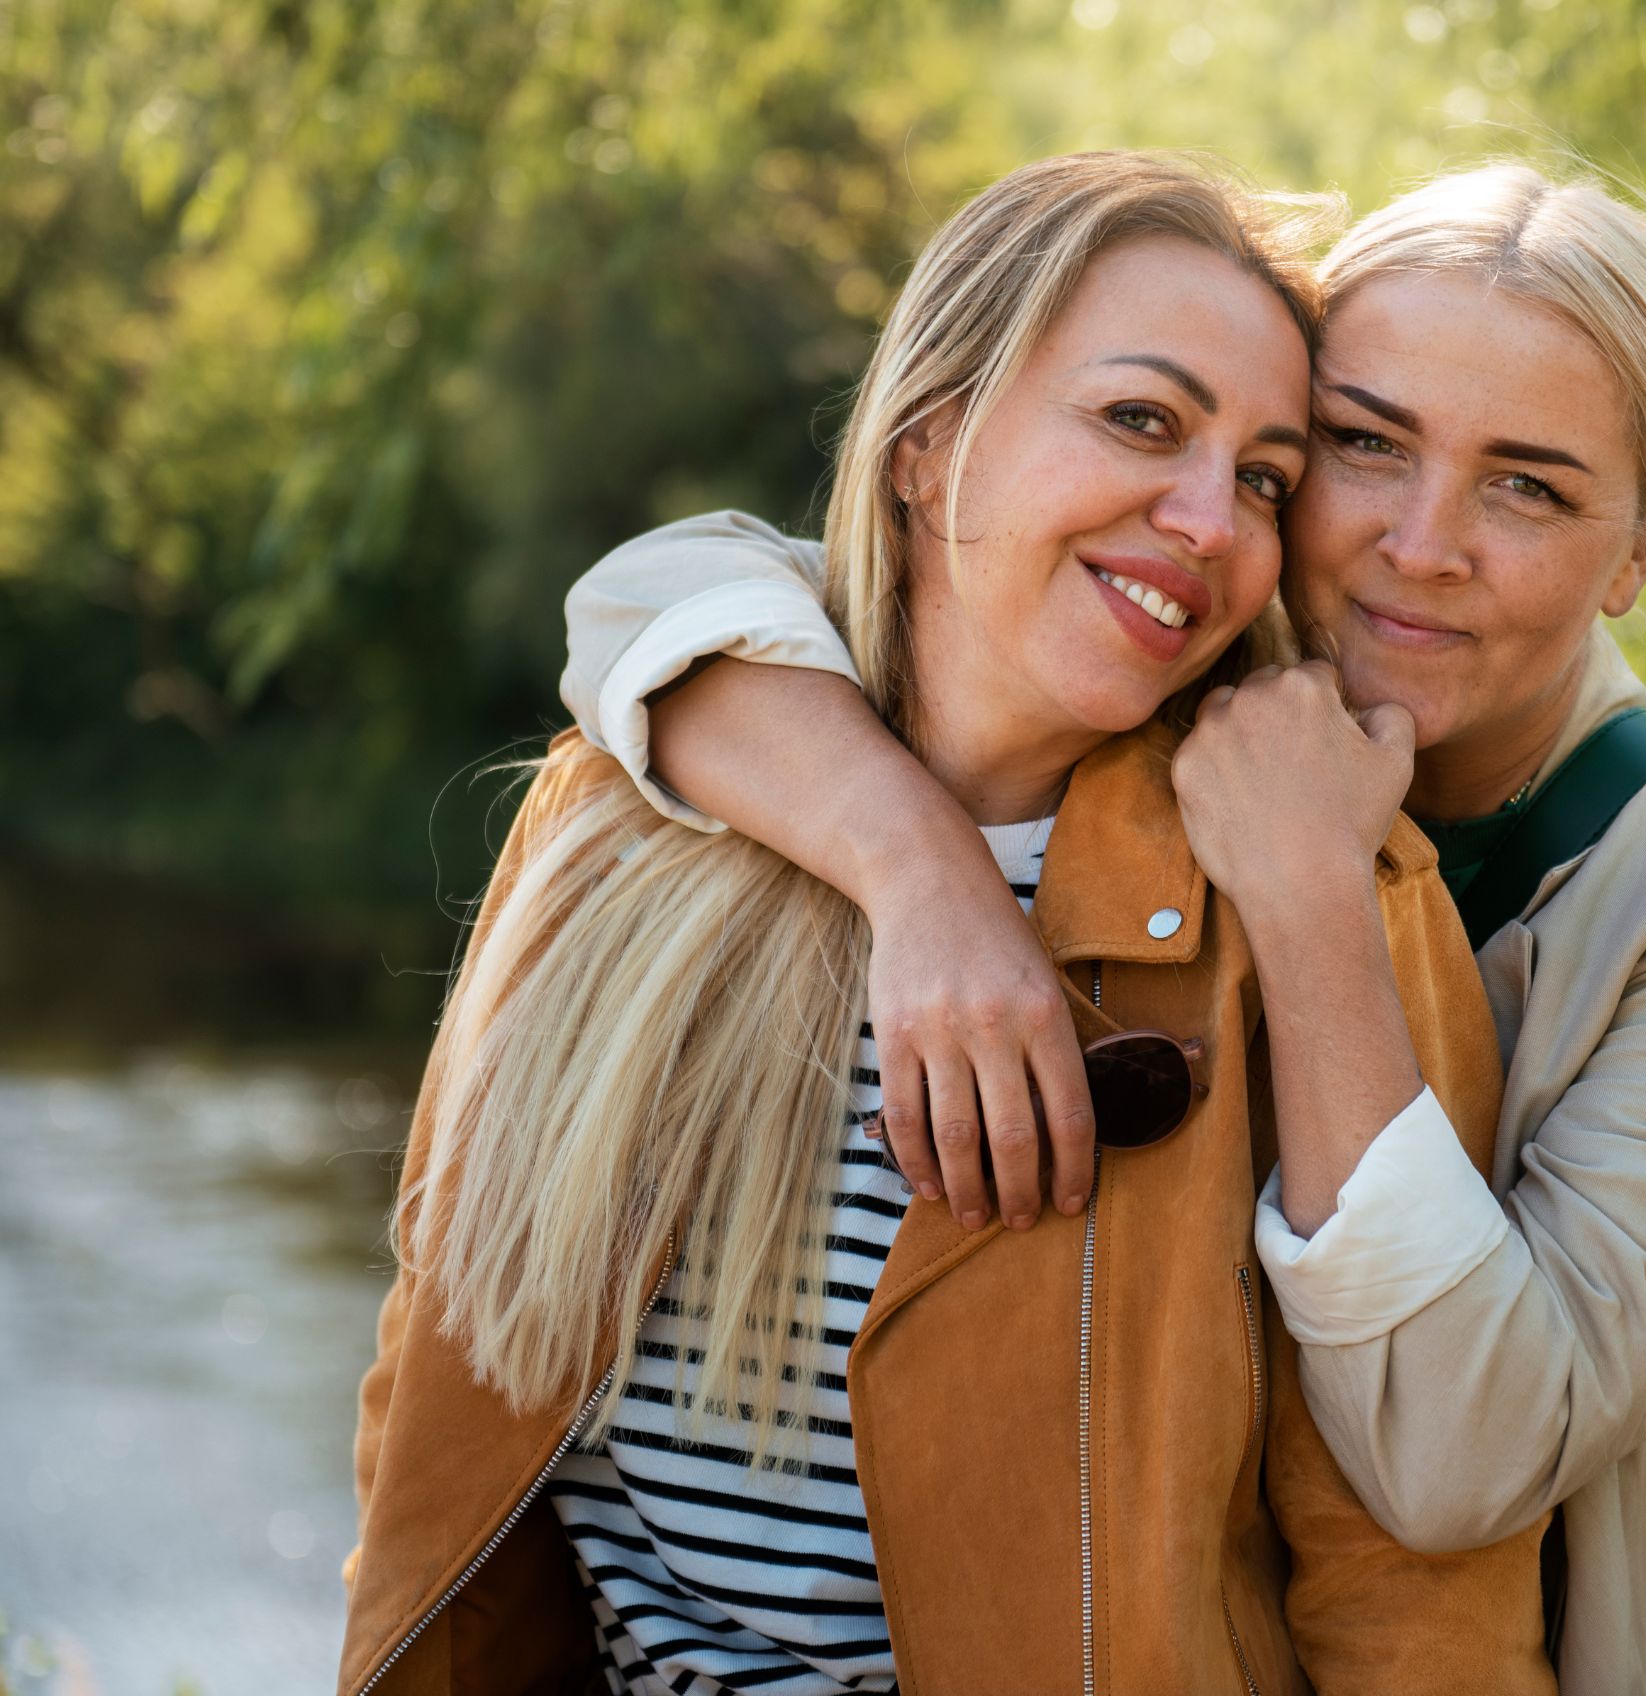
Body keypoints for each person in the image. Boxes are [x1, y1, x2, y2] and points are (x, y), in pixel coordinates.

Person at [553, 162, 1646, 1696]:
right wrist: (920, 872)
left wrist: (1309, 894)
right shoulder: (1144, 704)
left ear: (1642, 549)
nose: (1424, 542)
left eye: (1528, 486)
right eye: (1361, 445)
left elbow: (1457, 1454)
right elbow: (669, 594)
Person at [338, 151, 1554, 1696]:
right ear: (930, 443)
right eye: (1141, 420)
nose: (1206, 518)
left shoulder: (1315, 891)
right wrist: (928, 877)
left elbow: (1410, 1578)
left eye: (1263, 475)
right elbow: (434, 1379)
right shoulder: (617, 823)